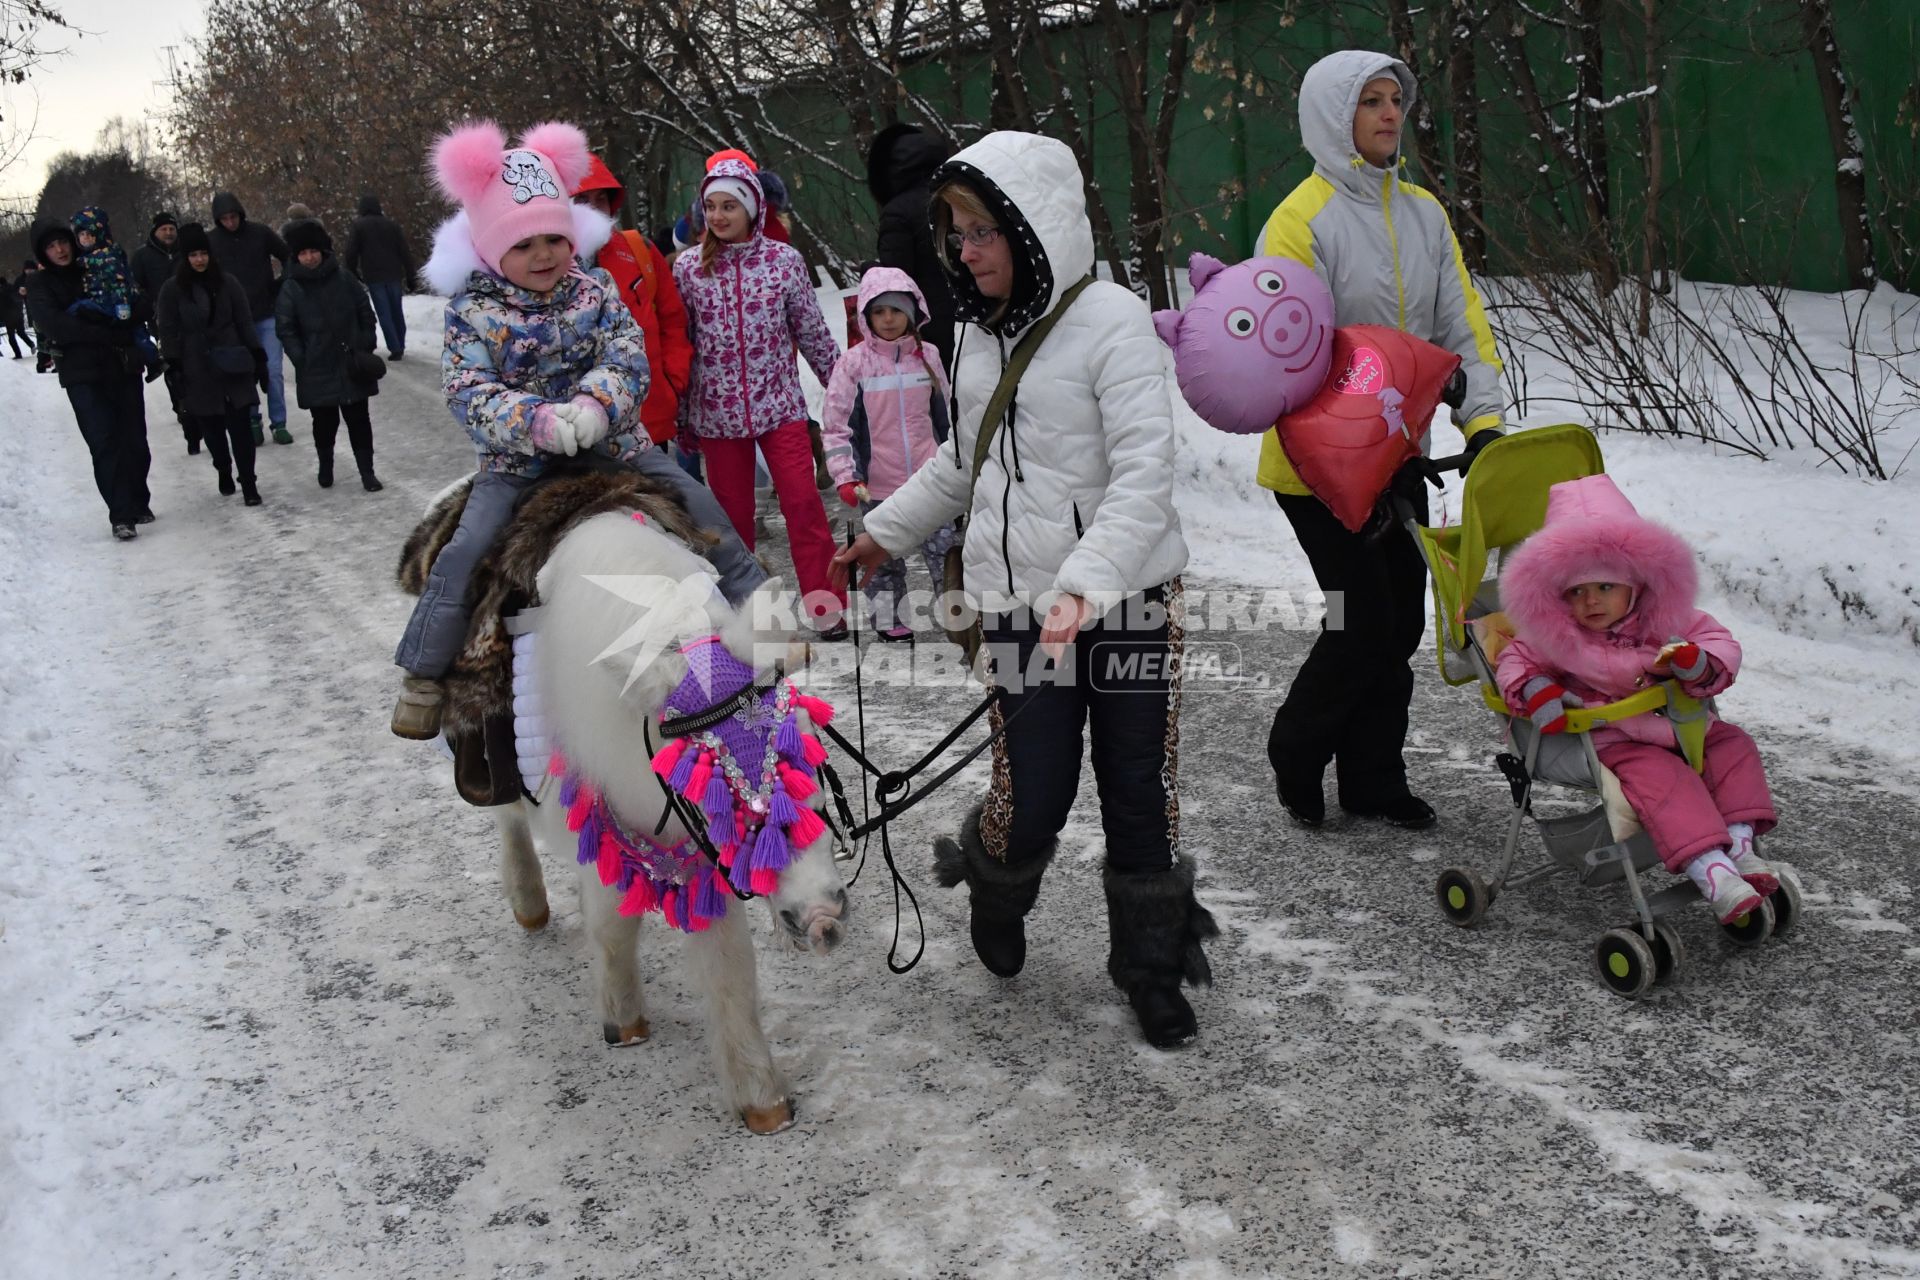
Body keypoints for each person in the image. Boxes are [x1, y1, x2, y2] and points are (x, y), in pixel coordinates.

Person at [829, 132, 1215, 1051]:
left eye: (981, 232)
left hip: (1127, 604)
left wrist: (1084, 586)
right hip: (1013, 610)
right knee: (1030, 790)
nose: (965, 251)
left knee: (1138, 788)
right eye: (956, 233)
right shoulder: (971, 334)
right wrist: (884, 535)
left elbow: (1144, 475)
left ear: (1033, 228)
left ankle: (1151, 969)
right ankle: (996, 881)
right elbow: (964, 463)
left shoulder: (1113, 321)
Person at [391, 120, 767, 740]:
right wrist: (534, 423)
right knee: (462, 552)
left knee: (701, 505)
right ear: (490, 249)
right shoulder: (473, 313)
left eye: (553, 239)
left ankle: (757, 611)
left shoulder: (594, 290)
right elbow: (467, 391)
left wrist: (596, 405)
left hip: (612, 445)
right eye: (523, 244)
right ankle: (426, 672)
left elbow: (627, 356)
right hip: (517, 463)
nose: (543, 256)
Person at [1258, 51, 1507, 832]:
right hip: (1315, 466)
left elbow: (1460, 322)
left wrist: (1484, 420)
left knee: (1398, 621)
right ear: (1336, 116)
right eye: (1371, 101)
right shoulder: (1299, 222)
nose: (1390, 114)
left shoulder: (1424, 214)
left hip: (1394, 456)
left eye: (1396, 100)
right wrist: (1344, 466)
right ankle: (1297, 752)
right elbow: (1289, 354)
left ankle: (1371, 779)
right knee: (1363, 619)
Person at [1495, 474, 1786, 923]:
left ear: (1635, 584)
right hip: (1614, 737)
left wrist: (1698, 664)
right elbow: (1516, 662)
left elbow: (1719, 642)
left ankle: (1742, 849)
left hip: (1686, 725)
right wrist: (1537, 689)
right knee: (1668, 780)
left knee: (1734, 746)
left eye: (1605, 587)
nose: (1591, 601)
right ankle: (1714, 874)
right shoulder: (1554, 635)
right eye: (1576, 592)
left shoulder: (1669, 618)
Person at [673, 157, 847, 638]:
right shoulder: (689, 269)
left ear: (753, 208)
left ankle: (825, 606)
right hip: (716, 416)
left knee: (804, 505)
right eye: (711, 206)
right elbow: (682, 345)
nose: (719, 216)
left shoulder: (783, 262)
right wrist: (683, 416)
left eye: (730, 205)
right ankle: (746, 611)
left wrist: (841, 388)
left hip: (781, 410)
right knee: (731, 522)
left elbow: (812, 333)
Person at [820, 266, 956, 641]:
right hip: (877, 484)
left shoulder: (927, 356)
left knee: (946, 553)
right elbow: (836, 425)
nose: (889, 319)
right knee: (882, 559)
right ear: (865, 316)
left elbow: (948, 414)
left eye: (896, 310)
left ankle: (959, 617)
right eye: (879, 311)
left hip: (931, 482)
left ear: (913, 313)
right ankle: (888, 617)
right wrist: (846, 475)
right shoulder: (854, 364)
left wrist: (956, 464)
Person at [24, 219, 155, 540]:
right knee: (104, 442)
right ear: (43, 252)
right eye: (51, 246)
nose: (59, 250)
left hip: (121, 366)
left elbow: (136, 300)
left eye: (63, 242)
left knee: (134, 440)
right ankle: (121, 514)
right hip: (82, 375)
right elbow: (56, 326)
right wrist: (107, 330)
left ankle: (138, 499)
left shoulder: (95, 267)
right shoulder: (41, 286)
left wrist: (127, 319)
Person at [570, 155, 694, 451]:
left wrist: (672, 384)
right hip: (580, 429)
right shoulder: (545, 262)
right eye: (582, 199)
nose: (594, 208)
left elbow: (673, 322)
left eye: (602, 198)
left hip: (648, 419)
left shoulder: (640, 251)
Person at [153, 222, 268, 507]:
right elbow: (167, 328)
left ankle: (249, 482)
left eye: (203, 253)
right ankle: (223, 468)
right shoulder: (173, 290)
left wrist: (257, 355)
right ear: (185, 257)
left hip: (232, 361)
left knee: (240, 426)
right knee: (212, 430)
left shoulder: (228, 283)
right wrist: (174, 365)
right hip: (197, 367)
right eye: (193, 255)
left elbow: (244, 320)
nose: (199, 260)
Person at [274, 218, 383, 492]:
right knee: (324, 422)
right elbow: (286, 328)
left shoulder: (344, 277)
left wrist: (366, 341)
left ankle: (367, 471)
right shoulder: (291, 287)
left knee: (359, 419)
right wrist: (302, 358)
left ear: (323, 251)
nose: (309, 257)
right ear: (296, 256)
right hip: (317, 366)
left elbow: (364, 310)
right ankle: (326, 464)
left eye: (313, 251)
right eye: (303, 253)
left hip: (351, 363)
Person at [865, 122, 958, 370]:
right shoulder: (958, 194)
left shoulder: (897, 211)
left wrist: (871, 271)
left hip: (931, 330)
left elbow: (896, 279)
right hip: (974, 320)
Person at [208, 192, 292, 444]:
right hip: (233, 320)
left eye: (233, 217)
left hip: (265, 312)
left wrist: (280, 285)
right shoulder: (211, 242)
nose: (230, 222)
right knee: (244, 372)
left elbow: (288, 256)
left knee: (274, 370)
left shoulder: (260, 233)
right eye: (224, 218)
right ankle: (252, 418)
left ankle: (279, 422)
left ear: (240, 214)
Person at [68, 207, 164, 379]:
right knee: (138, 333)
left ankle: (154, 361)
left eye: (89, 235)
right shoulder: (95, 256)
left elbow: (119, 281)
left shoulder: (104, 257)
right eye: (81, 235)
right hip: (110, 300)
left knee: (76, 309)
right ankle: (154, 362)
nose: (85, 239)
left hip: (111, 302)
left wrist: (122, 303)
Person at [130, 211, 196, 452]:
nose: (168, 233)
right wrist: (148, 307)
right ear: (154, 232)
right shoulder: (143, 256)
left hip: (191, 314)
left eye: (171, 229)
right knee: (171, 362)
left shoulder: (185, 251)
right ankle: (180, 403)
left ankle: (196, 402)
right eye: (163, 229)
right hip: (161, 319)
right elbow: (135, 286)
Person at [343, 192, 415, 360]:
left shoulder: (358, 226)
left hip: (373, 275)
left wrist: (352, 272)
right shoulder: (392, 225)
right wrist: (411, 275)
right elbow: (405, 251)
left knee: (384, 312)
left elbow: (351, 253)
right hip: (394, 274)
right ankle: (401, 343)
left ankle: (394, 346)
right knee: (397, 310)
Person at [4, 258, 33, 359]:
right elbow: (17, 297)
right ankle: (31, 345)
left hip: (9, 316)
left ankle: (18, 354)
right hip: (18, 313)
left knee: (12, 337)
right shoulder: (14, 284)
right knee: (21, 332)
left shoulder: (7, 289)